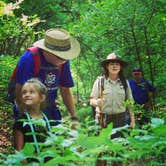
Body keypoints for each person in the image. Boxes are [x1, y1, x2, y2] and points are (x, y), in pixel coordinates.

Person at [14, 28, 80, 125]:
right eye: (59, 57)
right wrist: (25, 116)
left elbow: (65, 90)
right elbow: (19, 90)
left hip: (50, 106)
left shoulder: (64, 61)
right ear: (47, 51)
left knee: (55, 136)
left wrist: (74, 116)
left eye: (65, 57)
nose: (63, 60)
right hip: (27, 107)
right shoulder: (29, 59)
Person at [90, 52, 135, 135]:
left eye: (117, 64)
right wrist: (97, 102)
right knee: (104, 146)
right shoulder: (100, 81)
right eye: (112, 64)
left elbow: (130, 102)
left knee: (120, 145)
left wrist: (132, 120)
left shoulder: (125, 82)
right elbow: (91, 100)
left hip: (121, 119)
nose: (114, 66)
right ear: (107, 66)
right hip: (103, 119)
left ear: (120, 67)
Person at [13, 78, 51, 162]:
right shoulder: (20, 121)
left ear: (42, 97)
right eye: (24, 92)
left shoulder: (47, 119)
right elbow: (19, 150)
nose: (27, 95)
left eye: (31, 92)